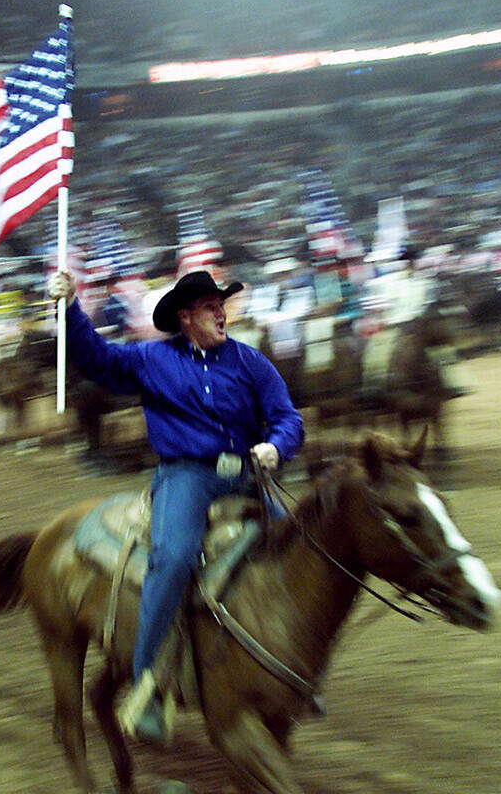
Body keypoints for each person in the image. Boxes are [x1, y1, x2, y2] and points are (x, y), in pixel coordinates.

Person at [47, 267, 304, 743]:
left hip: (245, 475)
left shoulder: (250, 362)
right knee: (175, 557)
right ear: (185, 317)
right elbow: (97, 361)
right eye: (211, 307)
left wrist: (276, 445)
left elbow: (287, 417)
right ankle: (148, 683)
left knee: (297, 547)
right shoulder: (151, 358)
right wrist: (69, 310)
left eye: (222, 305)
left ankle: (286, 666)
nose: (222, 313)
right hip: (186, 476)